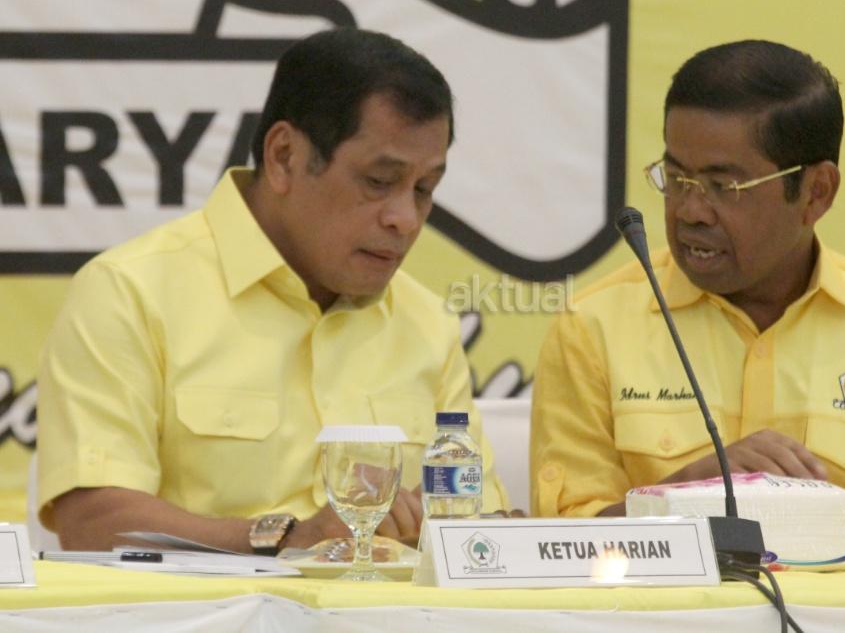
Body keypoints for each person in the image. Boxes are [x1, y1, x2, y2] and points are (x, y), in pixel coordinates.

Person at [36, 27, 508, 553]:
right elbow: (95, 521)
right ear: (284, 156)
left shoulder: (428, 321)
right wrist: (288, 539)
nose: (405, 218)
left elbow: (481, 525)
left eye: (424, 189)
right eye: (378, 181)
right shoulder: (129, 292)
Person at [529, 40, 845, 536]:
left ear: (816, 192)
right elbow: (559, 544)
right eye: (676, 178)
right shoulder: (593, 329)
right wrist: (690, 493)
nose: (690, 211)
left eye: (724, 187)